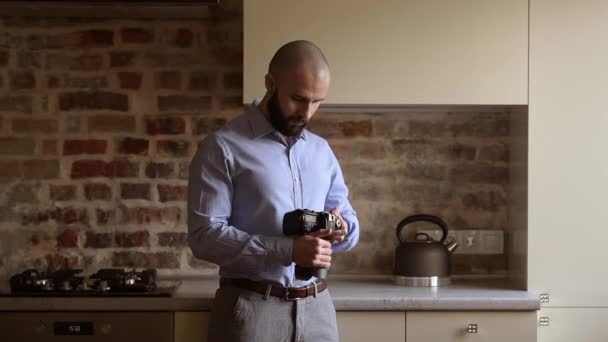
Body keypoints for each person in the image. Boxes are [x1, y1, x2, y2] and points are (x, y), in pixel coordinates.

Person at [187, 40, 359, 342]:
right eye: (298, 98)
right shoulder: (223, 147)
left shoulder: (321, 151)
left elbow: (349, 224)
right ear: (270, 83)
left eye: (317, 102)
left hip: (318, 310)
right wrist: (288, 250)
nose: (306, 112)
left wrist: (342, 228)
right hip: (251, 311)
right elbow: (204, 236)